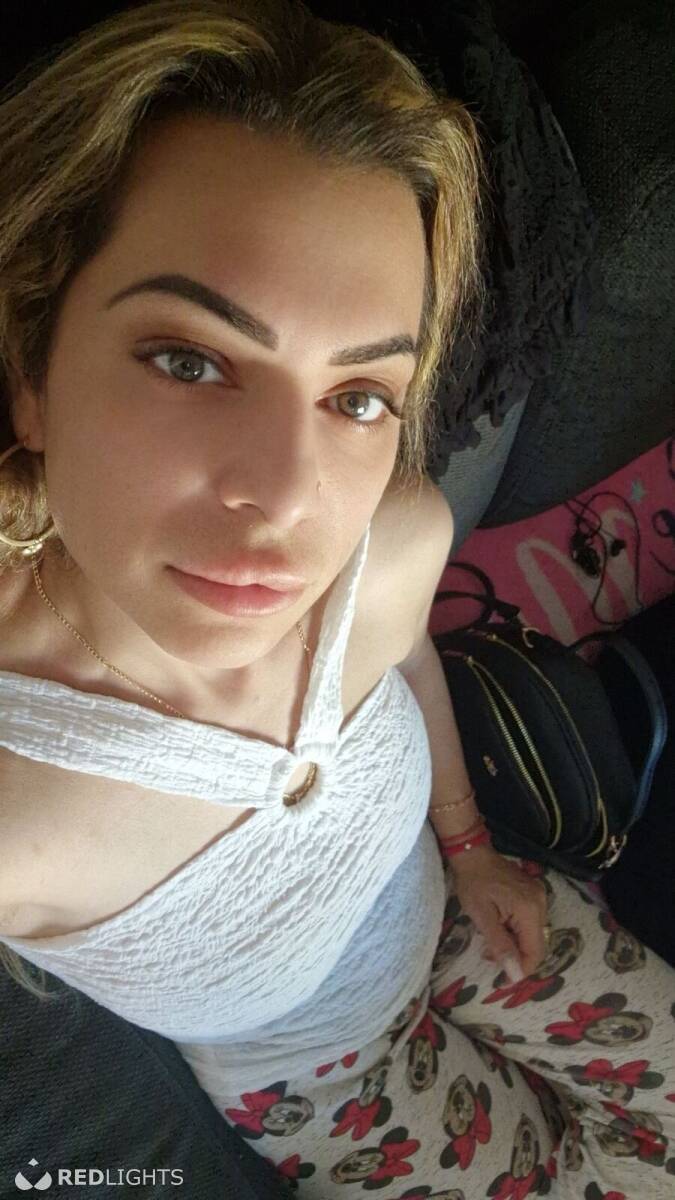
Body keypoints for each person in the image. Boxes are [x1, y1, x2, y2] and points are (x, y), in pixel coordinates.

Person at [0, 1, 673, 1195]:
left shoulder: (398, 536)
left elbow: (407, 660)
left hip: (466, 909)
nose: (288, 499)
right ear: (31, 374)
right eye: (191, 360)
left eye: (359, 397)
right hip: (318, 1080)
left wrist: (469, 845)